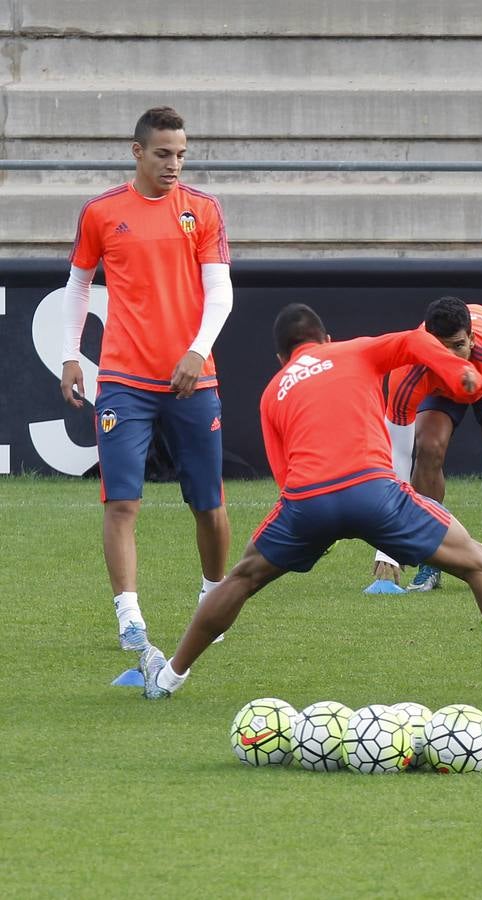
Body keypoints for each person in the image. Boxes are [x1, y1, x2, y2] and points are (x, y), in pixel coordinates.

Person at [137, 304, 482, 698]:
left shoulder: (272, 392)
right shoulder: (356, 349)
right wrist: (458, 367)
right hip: (374, 492)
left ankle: (170, 676)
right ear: (327, 338)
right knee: (480, 565)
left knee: (241, 579)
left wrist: (314, 532)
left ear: (282, 356)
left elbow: (284, 477)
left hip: (306, 503)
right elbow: (416, 340)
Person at [59, 106, 234, 653]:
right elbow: (78, 285)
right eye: (163, 154)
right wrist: (71, 355)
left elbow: (221, 293)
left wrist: (196, 351)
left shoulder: (203, 210)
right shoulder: (102, 212)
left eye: (181, 154)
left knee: (208, 502)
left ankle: (213, 596)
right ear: (137, 152)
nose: (174, 164)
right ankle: (129, 618)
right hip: (124, 380)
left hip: (193, 379)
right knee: (121, 502)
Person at [373, 297, 482, 590]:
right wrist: (386, 542)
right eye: (439, 349)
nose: (452, 360)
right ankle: (431, 560)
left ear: (472, 338)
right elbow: (398, 457)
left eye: (458, 346)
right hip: (438, 388)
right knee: (428, 447)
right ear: (426, 345)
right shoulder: (408, 370)